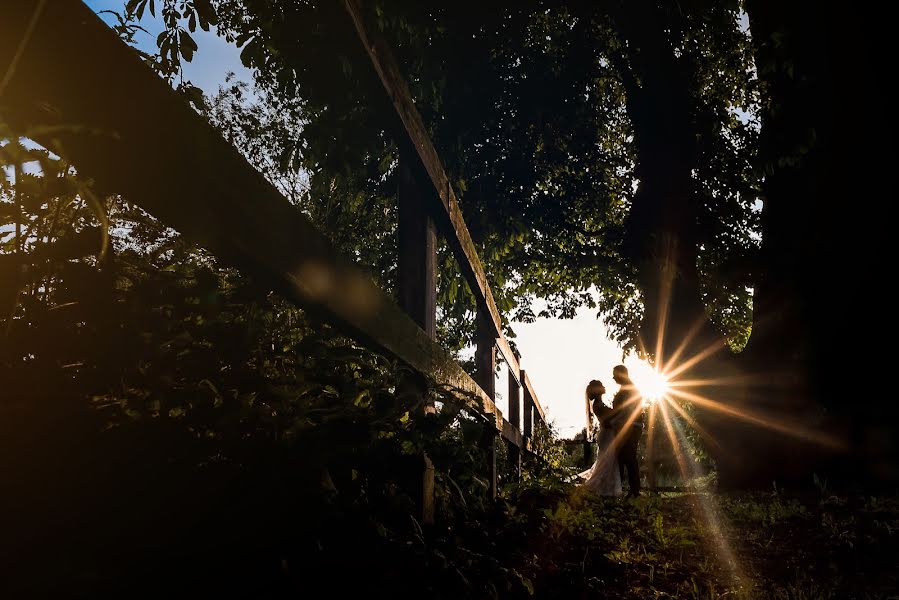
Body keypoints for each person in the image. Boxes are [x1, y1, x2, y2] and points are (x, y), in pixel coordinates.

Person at [578, 380, 622, 496]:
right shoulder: (597, 405)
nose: (604, 386)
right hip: (607, 434)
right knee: (606, 462)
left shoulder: (600, 404)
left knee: (607, 462)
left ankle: (607, 490)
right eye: (601, 385)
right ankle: (597, 488)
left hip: (608, 434)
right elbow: (607, 420)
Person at [611, 365, 644, 497]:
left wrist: (615, 422)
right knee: (624, 457)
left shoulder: (630, 390)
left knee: (629, 457)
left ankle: (634, 490)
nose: (613, 378)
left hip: (630, 427)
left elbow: (628, 411)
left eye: (615, 374)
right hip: (629, 426)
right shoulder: (626, 389)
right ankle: (628, 489)